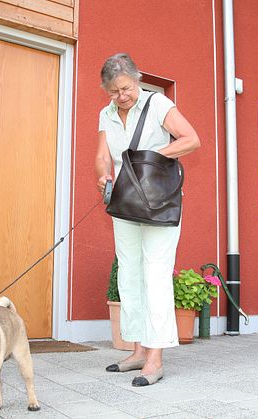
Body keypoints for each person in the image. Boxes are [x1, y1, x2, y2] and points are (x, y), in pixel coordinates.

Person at [94, 53, 200, 386]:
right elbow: (101, 155)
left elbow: (191, 139)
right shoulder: (106, 115)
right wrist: (103, 176)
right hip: (126, 202)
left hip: (158, 202)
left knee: (155, 273)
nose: (120, 96)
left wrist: (150, 159)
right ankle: (138, 349)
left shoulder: (158, 105)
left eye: (124, 88)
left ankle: (155, 358)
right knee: (130, 274)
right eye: (113, 91)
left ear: (136, 79)